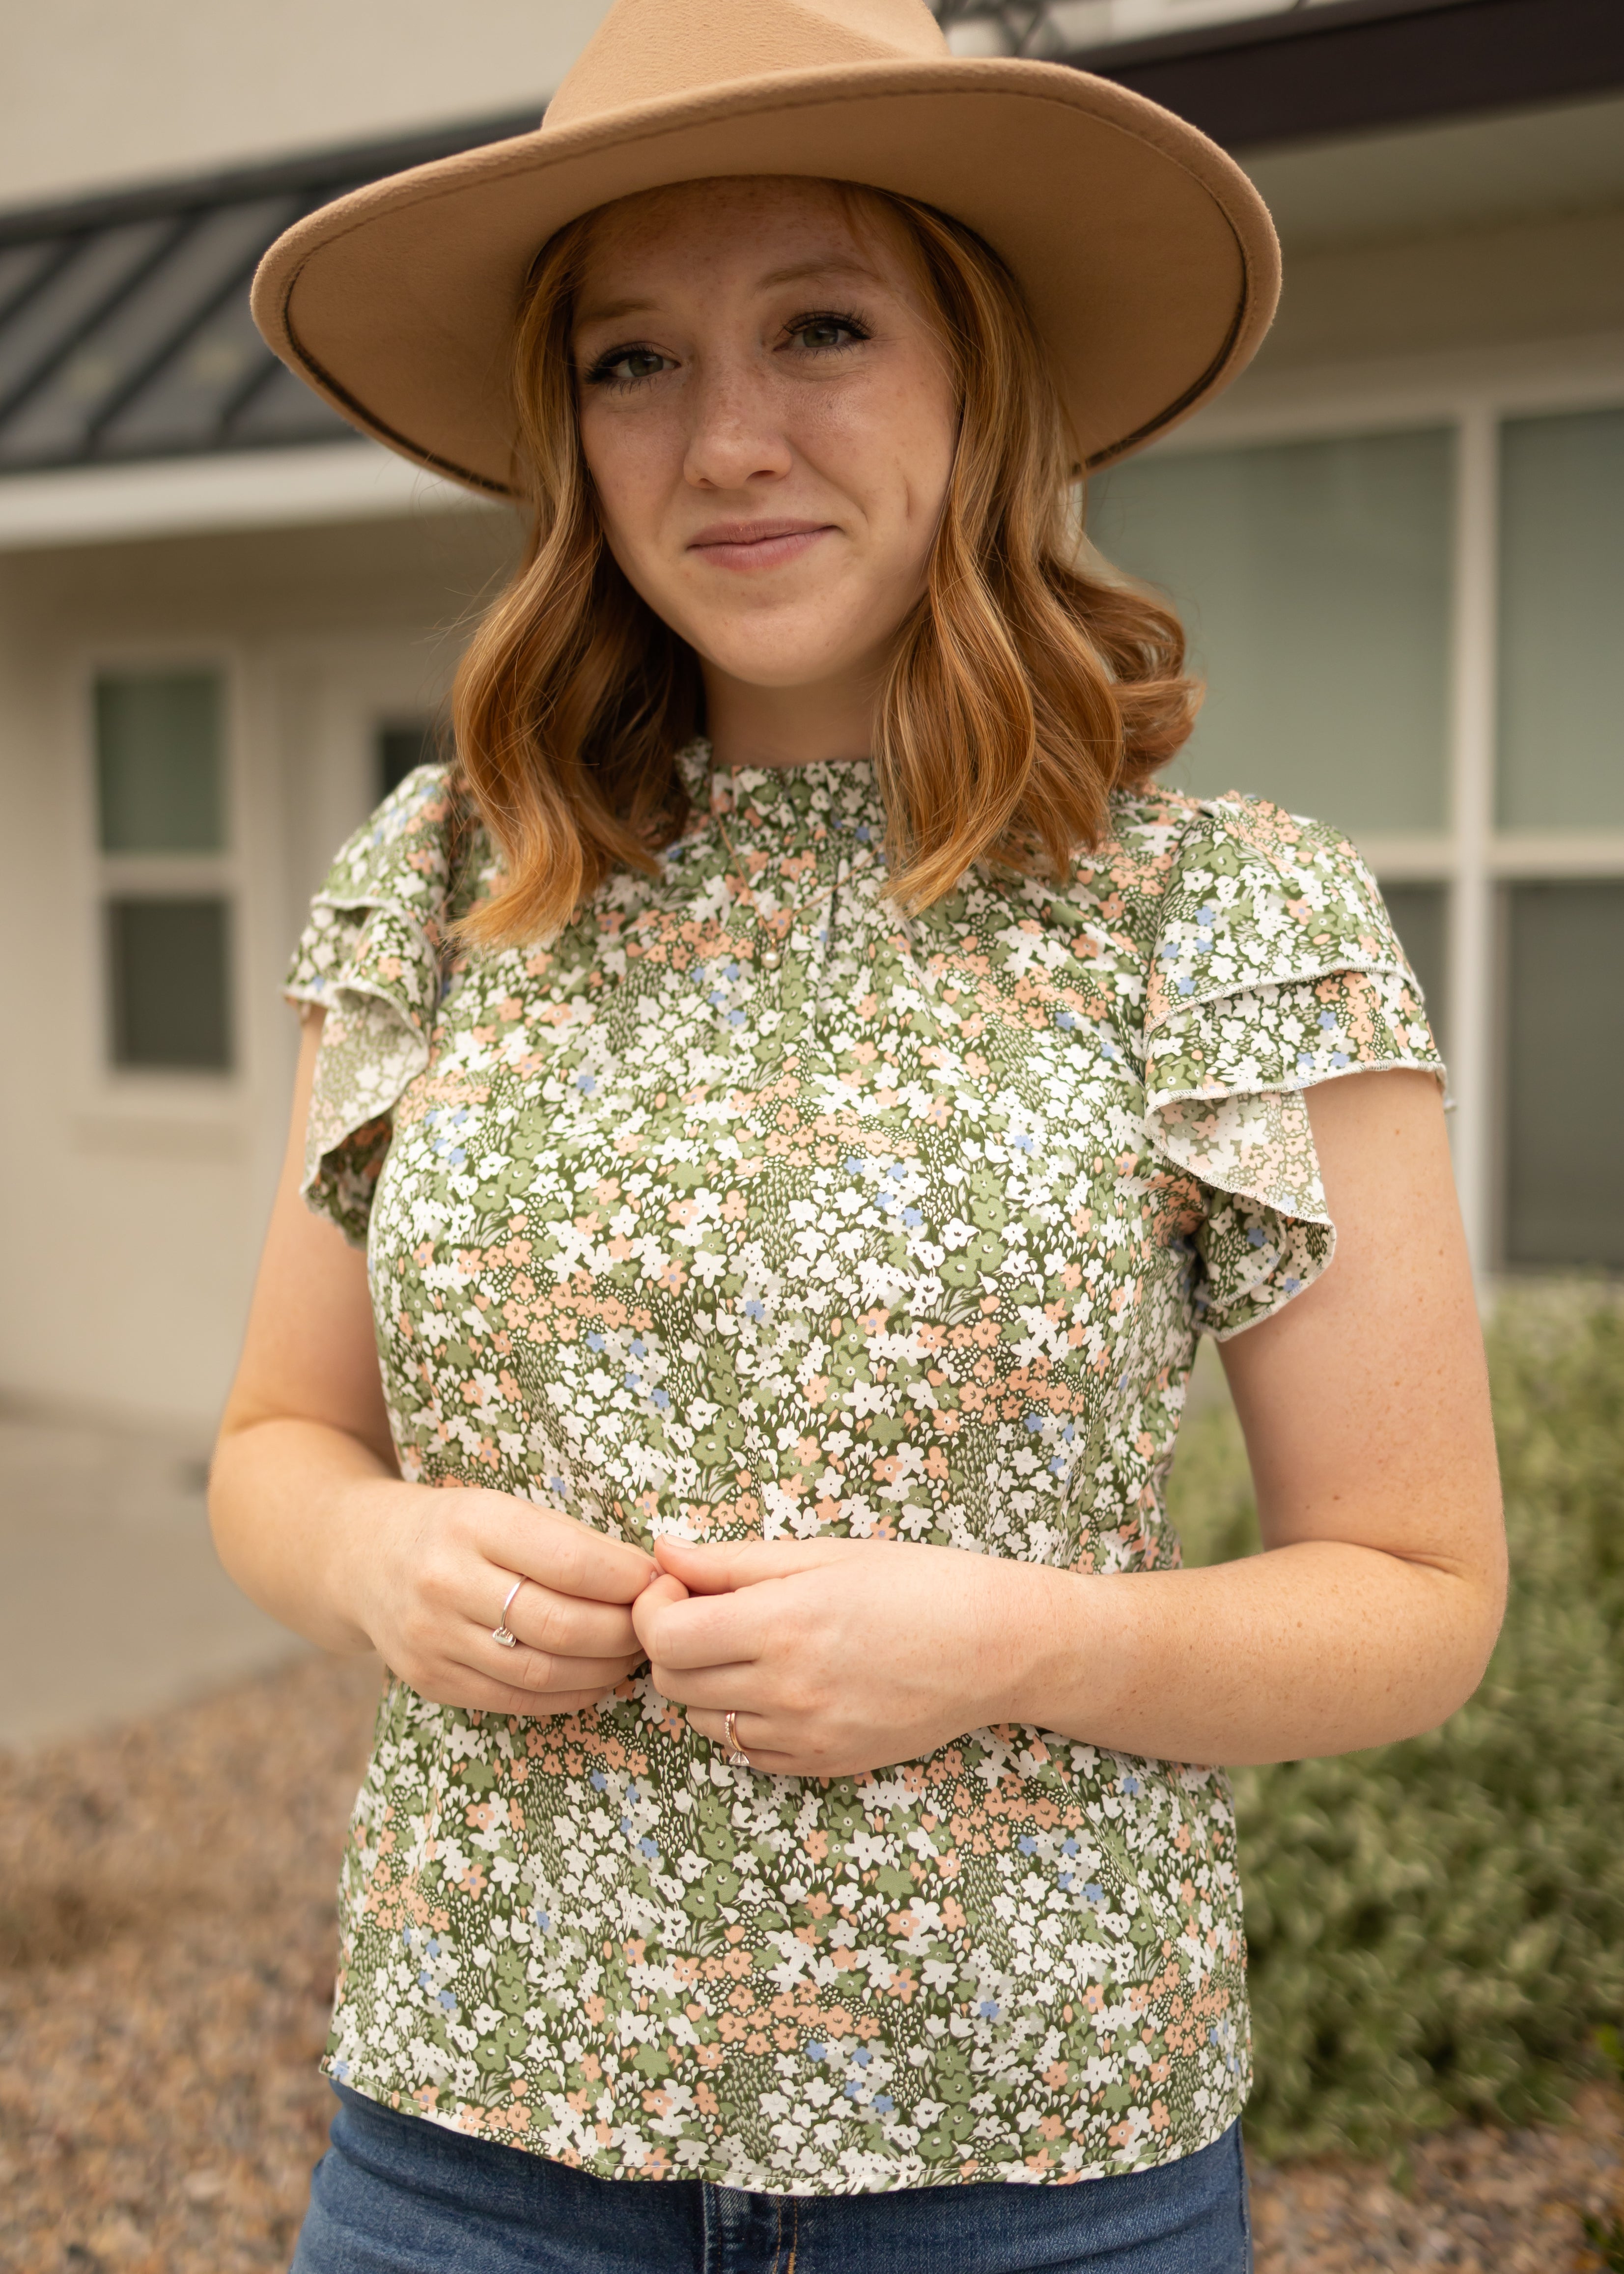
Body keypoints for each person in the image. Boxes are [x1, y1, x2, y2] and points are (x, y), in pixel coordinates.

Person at [213, 2, 1506, 2267]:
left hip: (1030, 2168)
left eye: (820, 326)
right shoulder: (439, 884)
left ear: (975, 379)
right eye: (631, 360)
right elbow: (271, 1448)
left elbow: (1413, 1602)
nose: (726, 441)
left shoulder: (1217, 917)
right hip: (467, 2153)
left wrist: (1012, 1645)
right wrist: (370, 1561)